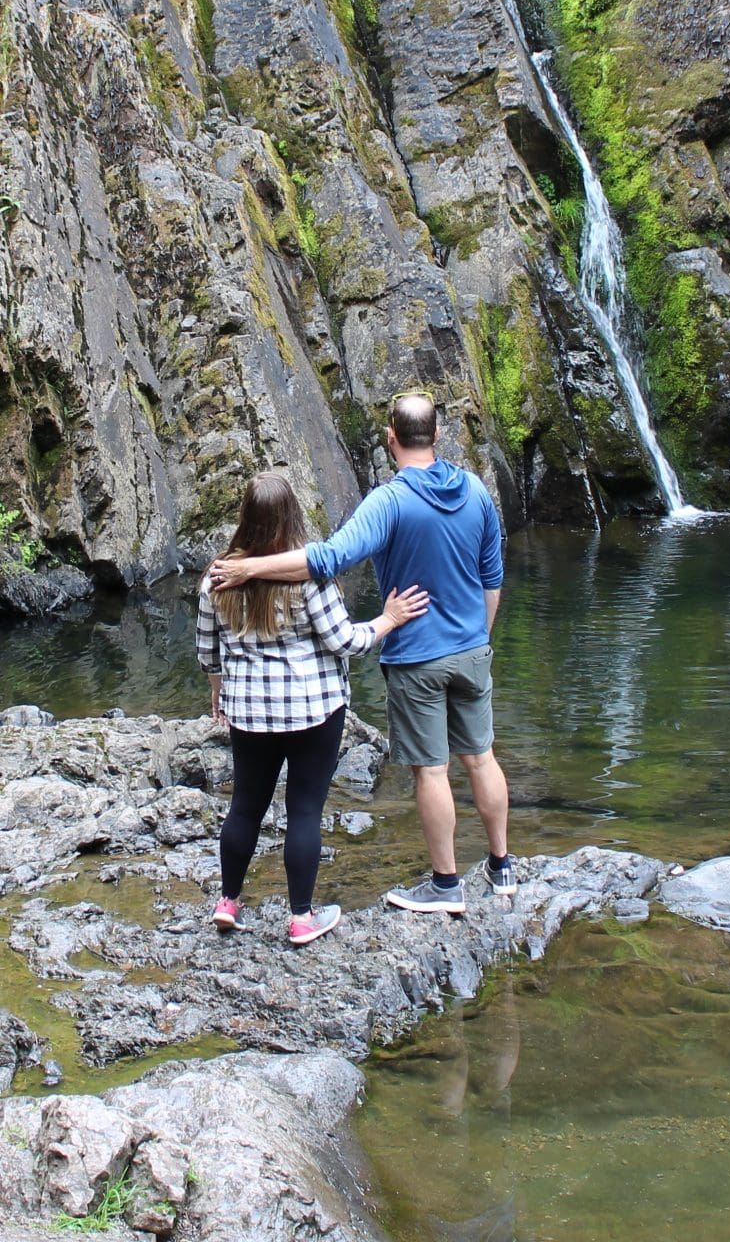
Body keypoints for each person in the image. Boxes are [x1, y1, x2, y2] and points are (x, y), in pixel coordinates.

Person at [210, 393, 512, 917]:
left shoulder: (389, 502)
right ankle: (502, 867)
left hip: (418, 656)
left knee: (433, 772)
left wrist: (248, 569)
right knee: (482, 758)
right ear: (437, 435)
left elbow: (328, 559)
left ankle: (446, 885)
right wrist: (480, 639)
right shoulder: (478, 491)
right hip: (472, 650)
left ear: (391, 438)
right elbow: (493, 578)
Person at [197, 471, 430, 946]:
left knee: (245, 807)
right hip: (313, 710)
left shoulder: (217, 577)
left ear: (245, 516)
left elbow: (207, 650)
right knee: (304, 811)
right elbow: (346, 642)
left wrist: (218, 688)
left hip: (250, 713)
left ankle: (227, 902)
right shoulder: (309, 579)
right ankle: (301, 917)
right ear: (291, 516)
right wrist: (388, 620)